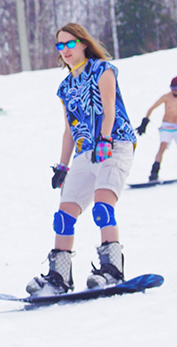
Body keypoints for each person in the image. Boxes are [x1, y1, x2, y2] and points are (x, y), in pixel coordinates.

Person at [27, 23, 137, 297]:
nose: (64, 50)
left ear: (83, 43)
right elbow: (69, 130)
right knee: (63, 217)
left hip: (114, 144)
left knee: (102, 207)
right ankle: (59, 277)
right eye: (59, 45)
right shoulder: (65, 87)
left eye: (69, 43)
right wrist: (62, 166)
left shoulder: (103, 70)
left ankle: (112, 270)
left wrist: (106, 139)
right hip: (85, 152)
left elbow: (109, 108)